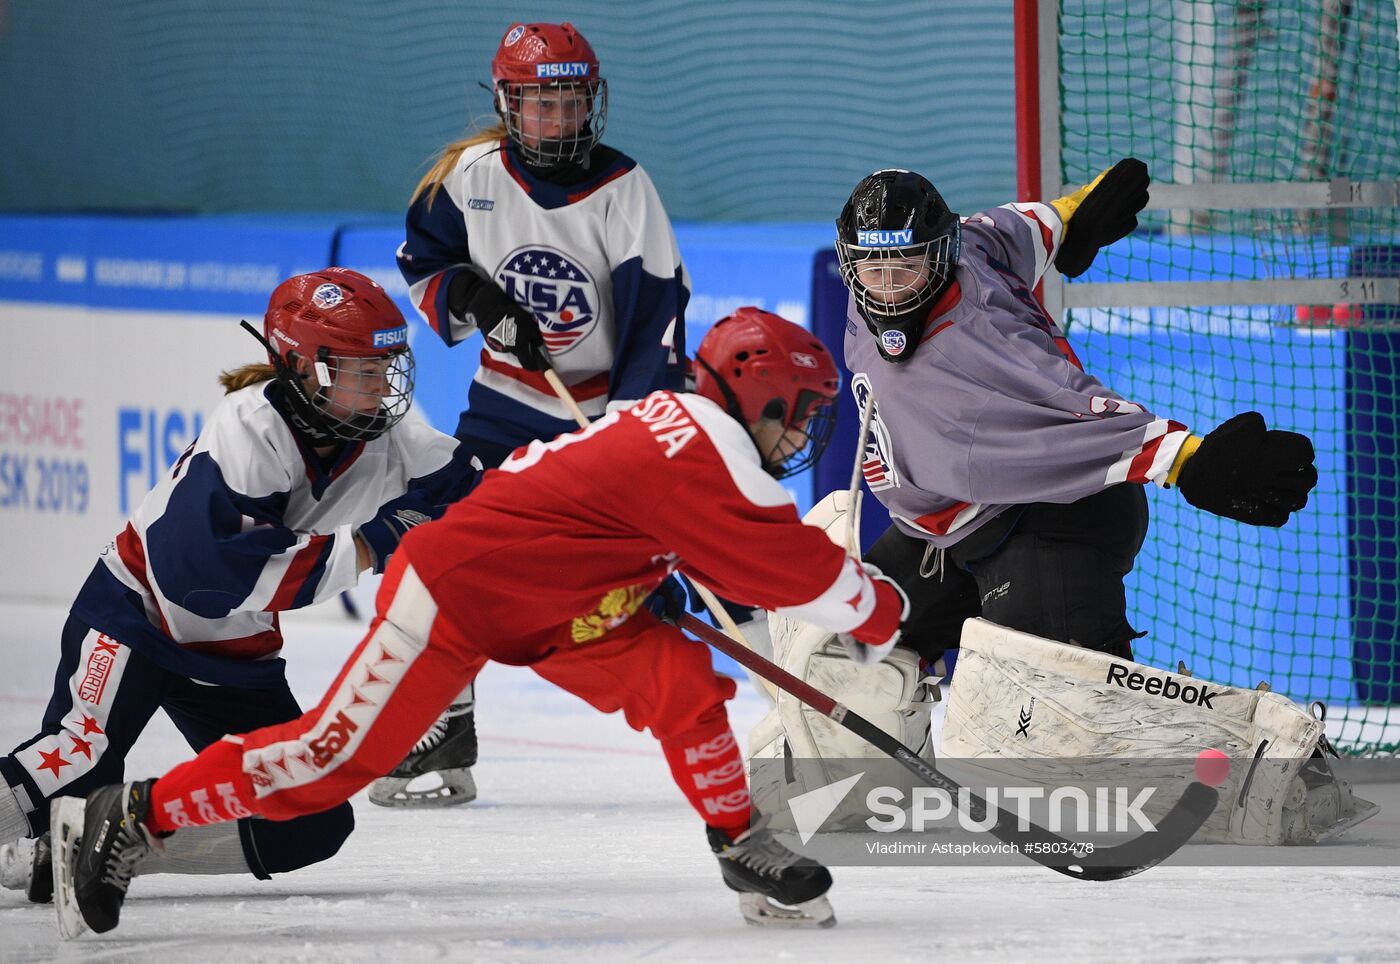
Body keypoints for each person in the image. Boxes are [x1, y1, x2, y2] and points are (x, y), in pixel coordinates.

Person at [52, 308, 909, 939]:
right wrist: (893, 607)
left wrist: (645, 571)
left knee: (681, 679)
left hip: (567, 604)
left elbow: (654, 527)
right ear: (757, 391)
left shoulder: (688, 428)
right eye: (798, 410)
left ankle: (739, 841)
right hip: (458, 592)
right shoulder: (709, 453)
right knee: (331, 761)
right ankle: (137, 813)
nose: (800, 432)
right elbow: (818, 581)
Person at [0, 269, 478, 905]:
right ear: (299, 367)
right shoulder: (248, 427)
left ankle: (117, 849)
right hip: (137, 616)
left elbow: (468, 482)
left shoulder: (384, 435)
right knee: (79, 760)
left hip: (232, 655)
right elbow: (200, 579)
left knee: (311, 815)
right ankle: (44, 834)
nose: (379, 388)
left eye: (385, 368)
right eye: (358, 370)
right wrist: (369, 543)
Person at [831, 160, 1317, 665]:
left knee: (1060, 700)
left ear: (937, 256)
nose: (886, 286)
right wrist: (1071, 215)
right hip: (940, 529)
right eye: (872, 268)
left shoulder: (981, 347)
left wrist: (1187, 459)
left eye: (904, 267)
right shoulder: (964, 247)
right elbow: (1009, 229)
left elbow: (1074, 416)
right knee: (843, 663)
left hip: (1049, 514)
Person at [386, 20, 694, 806]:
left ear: (592, 103)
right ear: (507, 103)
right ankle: (443, 721)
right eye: (537, 104)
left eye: (568, 103)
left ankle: (767, 720)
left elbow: (657, 319)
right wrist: (473, 296)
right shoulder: (471, 175)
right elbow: (424, 265)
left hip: (601, 418)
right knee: (427, 538)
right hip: (503, 408)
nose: (554, 121)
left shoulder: (625, 188)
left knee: (650, 580)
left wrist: (624, 446)